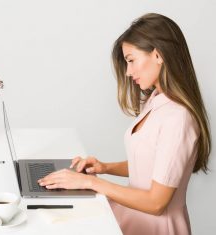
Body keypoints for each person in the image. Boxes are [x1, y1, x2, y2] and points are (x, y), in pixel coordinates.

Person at [38, 13, 211, 235]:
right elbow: (152, 164)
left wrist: (90, 183)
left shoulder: (178, 118)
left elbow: (156, 203)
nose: (128, 72)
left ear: (158, 55)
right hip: (132, 216)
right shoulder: (156, 100)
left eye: (131, 60)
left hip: (157, 227)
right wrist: (104, 167)